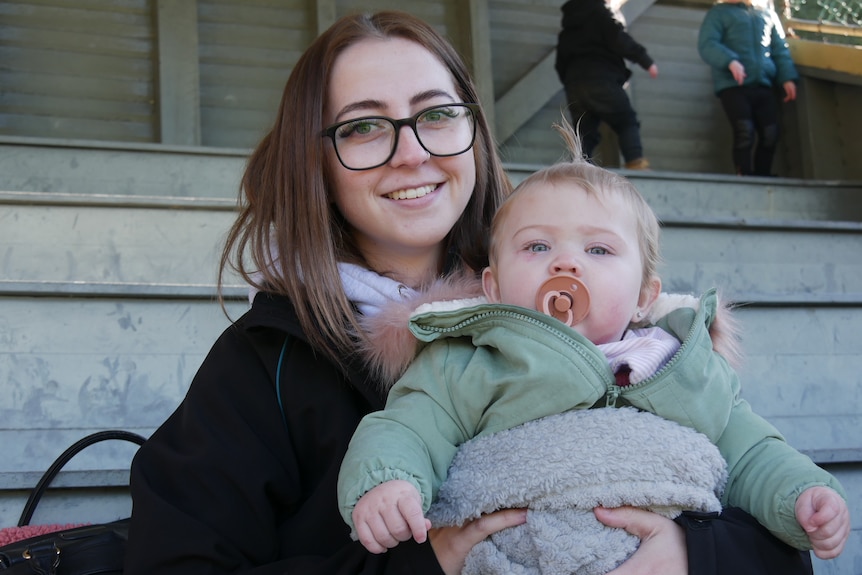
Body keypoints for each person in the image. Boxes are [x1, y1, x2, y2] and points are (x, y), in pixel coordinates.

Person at [122, 10, 709, 575]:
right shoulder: (265, 364)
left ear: (473, 132)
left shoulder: (604, 312)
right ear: (316, 162)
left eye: (437, 115)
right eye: (363, 127)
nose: (413, 153)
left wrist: (697, 555)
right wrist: (423, 565)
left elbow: (768, 496)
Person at [338, 119, 850, 572]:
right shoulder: (471, 359)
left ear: (643, 297)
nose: (566, 264)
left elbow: (751, 450)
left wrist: (800, 495)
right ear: (492, 288)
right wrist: (389, 482)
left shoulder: (680, 366)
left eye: (599, 249)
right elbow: (407, 425)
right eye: (537, 246)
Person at [698, 0, 799, 176]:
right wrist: (730, 61)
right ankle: (743, 173)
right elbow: (707, 44)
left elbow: (779, 50)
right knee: (744, 131)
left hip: (763, 84)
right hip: (733, 86)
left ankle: (763, 175)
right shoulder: (719, 13)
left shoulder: (767, 15)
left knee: (770, 133)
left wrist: (787, 78)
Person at [555, 0, 658, 170]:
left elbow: (560, 64)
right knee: (626, 120)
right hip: (602, 78)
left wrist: (570, 83)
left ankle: (577, 170)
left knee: (584, 134)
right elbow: (619, 39)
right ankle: (635, 163)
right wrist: (645, 60)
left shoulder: (566, 32)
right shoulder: (600, 17)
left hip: (575, 85)